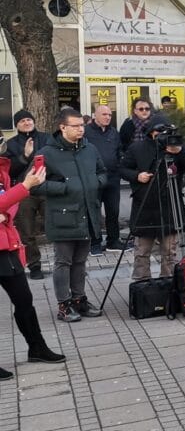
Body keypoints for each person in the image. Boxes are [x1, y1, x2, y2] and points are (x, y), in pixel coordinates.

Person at [32, 109, 108, 321]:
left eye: (82, 125)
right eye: (75, 126)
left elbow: (103, 172)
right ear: (62, 127)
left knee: (80, 261)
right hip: (63, 216)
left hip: (87, 213)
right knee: (63, 262)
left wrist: (96, 183)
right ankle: (63, 304)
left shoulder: (89, 149)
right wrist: (63, 187)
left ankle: (79, 299)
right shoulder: (47, 153)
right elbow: (33, 186)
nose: (80, 129)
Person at [0, 158, 65, 380]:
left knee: (24, 300)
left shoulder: (2, 169)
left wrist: (6, 214)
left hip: (6, 245)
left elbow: (10, 202)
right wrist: (25, 186)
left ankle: (36, 348)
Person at [121, 117, 185, 282]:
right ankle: (142, 286)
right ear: (151, 133)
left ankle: (169, 285)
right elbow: (121, 168)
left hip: (170, 206)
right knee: (142, 252)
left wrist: (180, 151)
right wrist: (137, 176)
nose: (163, 136)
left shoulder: (176, 147)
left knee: (170, 251)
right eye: (159, 133)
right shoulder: (137, 148)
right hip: (145, 205)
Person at [5, 110, 54, 279]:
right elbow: (8, 172)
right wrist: (25, 156)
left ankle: (63, 262)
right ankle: (34, 266)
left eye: (29, 119)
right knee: (27, 231)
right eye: (22, 121)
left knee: (56, 226)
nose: (26, 122)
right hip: (24, 193)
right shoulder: (10, 145)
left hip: (47, 189)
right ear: (16, 125)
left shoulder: (47, 138)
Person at [85, 105, 123, 255]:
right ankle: (94, 242)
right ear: (95, 115)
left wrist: (119, 164)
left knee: (113, 211)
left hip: (113, 178)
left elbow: (119, 150)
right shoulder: (86, 132)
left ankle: (113, 241)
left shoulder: (114, 132)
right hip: (94, 178)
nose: (107, 117)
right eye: (104, 114)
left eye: (109, 115)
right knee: (94, 212)